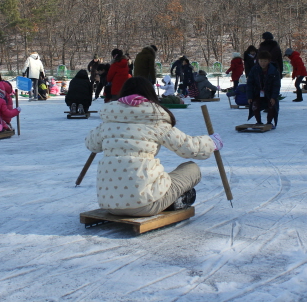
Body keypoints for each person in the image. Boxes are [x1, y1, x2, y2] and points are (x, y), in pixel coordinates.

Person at [85, 77, 222, 217]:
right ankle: (173, 201)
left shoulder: (108, 122)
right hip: (144, 204)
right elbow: (189, 148)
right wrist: (211, 143)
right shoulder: (155, 120)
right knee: (192, 168)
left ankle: (165, 199)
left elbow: (91, 144)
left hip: (109, 203)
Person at [246, 51, 281, 128]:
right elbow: (250, 84)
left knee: (272, 105)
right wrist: (250, 96)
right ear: (258, 61)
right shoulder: (254, 69)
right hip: (257, 92)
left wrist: (273, 97)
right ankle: (258, 122)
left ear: (269, 61)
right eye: (261, 61)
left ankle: (269, 122)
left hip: (269, 92)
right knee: (255, 105)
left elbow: (276, 85)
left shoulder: (274, 71)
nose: (263, 63)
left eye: (265, 61)